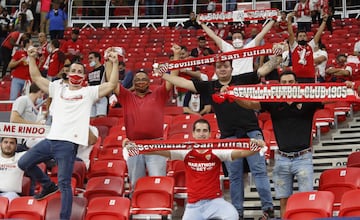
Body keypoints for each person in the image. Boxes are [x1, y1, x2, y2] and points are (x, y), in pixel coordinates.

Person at [160, 52, 283, 219]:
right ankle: (237, 213)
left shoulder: (241, 79)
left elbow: (263, 70)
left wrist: (278, 56)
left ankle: (268, 211)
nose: (223, 68)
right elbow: (184, 82)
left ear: (232, 68)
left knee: (259, 172)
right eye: (219, 66)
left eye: (225, 65)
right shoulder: (209, 86)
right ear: (215, 70)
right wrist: (164, 75)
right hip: (228, 137)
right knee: (235, 176)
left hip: (251, 132)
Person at [17, 46, 119, 220]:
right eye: (73, 70)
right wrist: (32, 58)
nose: (76, 73)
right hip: (51, 140)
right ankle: (47, 185)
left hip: (68, 144)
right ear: (67, 73)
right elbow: (35, 77)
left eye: (80, 71)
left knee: (64, 184)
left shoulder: (88, 92)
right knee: (24, 162)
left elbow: (111, 84)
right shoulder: (58, 88)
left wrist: (115, 63)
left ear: (84, 76)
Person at [123, 118, 267, 220]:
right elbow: (159, 150)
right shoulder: (185, 152)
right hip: (193, 206)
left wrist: (255, 147)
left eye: (205, 131)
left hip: (215, 202)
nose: (202, 133)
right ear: (193, 134)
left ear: (210, 134)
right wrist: (137, 146)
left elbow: (240, 153)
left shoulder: (216, 151)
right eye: (198, 131)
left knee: (232, 215)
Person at [232, 70, 323, 218]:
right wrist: (234, 96)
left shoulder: (308, 100)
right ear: (279, 85)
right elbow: (250, 105)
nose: (287, 85)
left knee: (306, 200)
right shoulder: (273, 101)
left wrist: (347, 88)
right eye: (284, 83)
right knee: (283, 201)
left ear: (297, 84)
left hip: (303, 158)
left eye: (290, 82)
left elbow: (331, 97)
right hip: (281, 159)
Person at [108, 44, 181, 192]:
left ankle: (159, 210)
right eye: (138, 79)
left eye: (144, 79)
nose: (141, 81)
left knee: (157, 181)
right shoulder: (127, 97)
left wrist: (177, 56)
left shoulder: (158, 94)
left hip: (156, 145)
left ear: (149, 82)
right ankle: (136, 206)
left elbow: (172, 79)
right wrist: (112, 63)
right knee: (136, 182)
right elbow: (112, 83)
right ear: (133, 84)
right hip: (134, 146)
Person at [198, 15, 275, 79]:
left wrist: (273, 20)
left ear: (243, 39)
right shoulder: (228, 48)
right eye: (234, 38)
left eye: (239, 37)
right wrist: (202, 24)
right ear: (232, 41)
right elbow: (213, 36)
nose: (237, 39)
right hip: (233, 78)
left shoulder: (249, 47)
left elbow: (262, 33)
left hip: (247, 78)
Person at [287, 12, 328, 83]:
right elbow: (290, 33)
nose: (302, 38)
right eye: (300, 36)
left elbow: (319, 33)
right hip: (297, 77)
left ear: (307, 37)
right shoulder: (294, 46)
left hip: (310, 77)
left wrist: (324, 21)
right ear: (296, 38)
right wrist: (289, 21)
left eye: (304, 36)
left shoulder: (311, 46)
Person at [10, 82, 45, 151]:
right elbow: (14, 118)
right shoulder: (23, 99)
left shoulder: (34, 107)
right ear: (40, 91)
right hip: (20, 140)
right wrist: (35, 125)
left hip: (28, 139)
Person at [0, 137, 26, 201]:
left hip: (11, 195)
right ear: (0, 144)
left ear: (16, 146)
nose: (8, 145)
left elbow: (38, 149)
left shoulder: (22, 157)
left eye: (11, 143)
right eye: (6, 142)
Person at [87, 51, 108, 118]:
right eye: (88, 58)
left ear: (97, 58)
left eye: (91, 58)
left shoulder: (104, 69)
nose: (89, 60)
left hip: (101, 96)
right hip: (92, 98)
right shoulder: (90, 73)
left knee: (101, 119)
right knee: (91, 119)